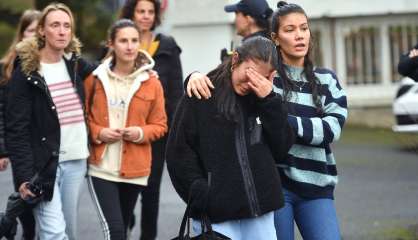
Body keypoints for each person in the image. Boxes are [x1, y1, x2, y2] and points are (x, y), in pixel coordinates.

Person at [186, 2, 348, 239]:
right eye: (290, 30)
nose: (299, 35)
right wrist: (194, 76)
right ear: (276, 37)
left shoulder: (327, 80)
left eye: (304, 28)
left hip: (317, 186)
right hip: (275, 187)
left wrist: (279, 118)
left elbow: (330, 130)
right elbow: (227, 78)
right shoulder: (265, 77)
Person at [166, 36, 293, 240]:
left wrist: (270, 102)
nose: (251, 82)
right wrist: (197, 190)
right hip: (215, 215)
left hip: (260, 210)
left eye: (259, 78)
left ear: (271, 76)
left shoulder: (266, 99)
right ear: (235, 60)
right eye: (248, 73)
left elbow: (282, 148)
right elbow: (178, 151)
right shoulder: (202, 91)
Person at [5, 3, 94, 240]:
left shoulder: (75, 64)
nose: (62, 31)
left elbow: (111, 70)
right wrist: (24, 176)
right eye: (55, 25)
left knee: (70, 233)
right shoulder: (26, 71)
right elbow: (16, 129)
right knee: (54, 233)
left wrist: (144, 69)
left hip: (76, 161)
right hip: (43, 167)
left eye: (67, 26)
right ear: (42, 30)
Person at [84, 19, 167, 240]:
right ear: (111, 44)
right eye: (123, 41)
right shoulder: (94, 79)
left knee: (124, 225)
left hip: (135, 169)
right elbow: (83, 119)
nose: (129, 46)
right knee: (116, 231)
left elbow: (160, 125)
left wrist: (140, 133)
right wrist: (99, 133)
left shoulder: (152, 82)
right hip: (101, 167)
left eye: (134, 41)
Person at [119, 1, 183, 239]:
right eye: (140, 11)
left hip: (157, 131)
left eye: (150, 12)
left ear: (156, 15)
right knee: (124, 191)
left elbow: (176, 91)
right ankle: (123, 227)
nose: (145, 16)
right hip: (124, 130)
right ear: (132, 13)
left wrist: (174, 131)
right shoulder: (121, 43)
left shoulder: (167, 45)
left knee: (151, 193)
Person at [0, 9, 41, 240]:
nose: (35, 36)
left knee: (42, 197)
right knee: (25, 194)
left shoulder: (50, 64)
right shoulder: (7, 66)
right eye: (31, 30)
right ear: (22, 33)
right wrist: (3, 149)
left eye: (39, 31)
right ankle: (22, 230)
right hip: (19, 144)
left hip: (44, 143)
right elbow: (2, 112)